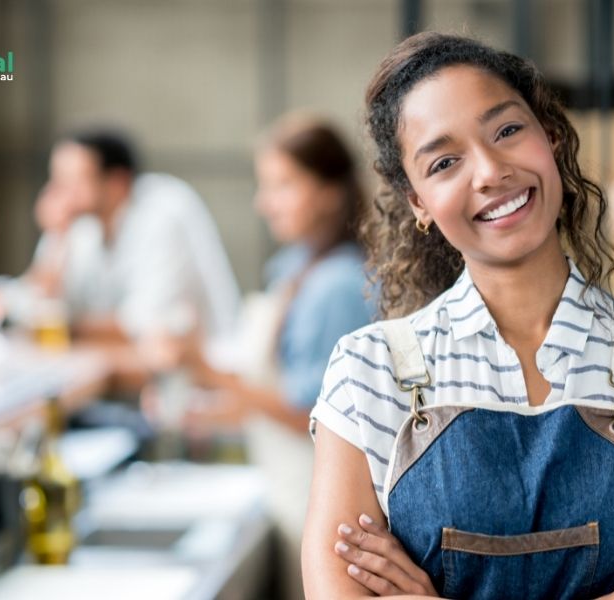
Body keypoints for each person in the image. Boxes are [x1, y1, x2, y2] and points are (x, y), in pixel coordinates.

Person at [302, 33, 614, 600]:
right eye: (444, 162)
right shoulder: (369, 372)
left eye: (508, 130)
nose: (490, 171)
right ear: (417, 201)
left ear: (552, 137)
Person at [155, 114, 375, 600]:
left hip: (317, 504)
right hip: (287, 493)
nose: (263, 202)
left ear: (328, 191)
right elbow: (283, 388)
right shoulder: (297, 267)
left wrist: (204, 367)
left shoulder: (335, 285)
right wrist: (212, 412)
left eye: (282, 185)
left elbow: (313, 415)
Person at [25, 130, 240, 387]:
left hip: (200, 388)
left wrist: (64, 327)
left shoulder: (165, 212)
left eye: (72, 181)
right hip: (135, 377)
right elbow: (39, 304)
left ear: (118, 182)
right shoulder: (82, 226)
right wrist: (56, 237)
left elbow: (143, 325)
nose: (57, 194)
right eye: (56, 181)